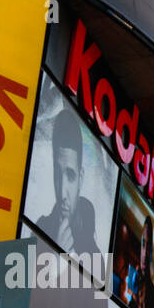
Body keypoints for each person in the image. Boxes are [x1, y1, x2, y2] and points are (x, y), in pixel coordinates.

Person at [36, 106, 101, 257]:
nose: (62, 193)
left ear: (80, 178)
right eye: (58, 174)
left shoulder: (95, 254)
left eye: (70, 176)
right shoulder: (41, 228)